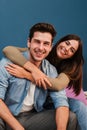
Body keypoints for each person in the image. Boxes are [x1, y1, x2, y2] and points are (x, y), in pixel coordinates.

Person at [0, 22, 76, 130]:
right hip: (6, 116)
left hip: (30, 117)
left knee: (71, 117)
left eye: (46, 43)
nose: (40, 48)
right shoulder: (7, 64)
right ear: (29, 42)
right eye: (37, 42)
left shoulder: (50, 70)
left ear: (50, 47)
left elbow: (61, 102)